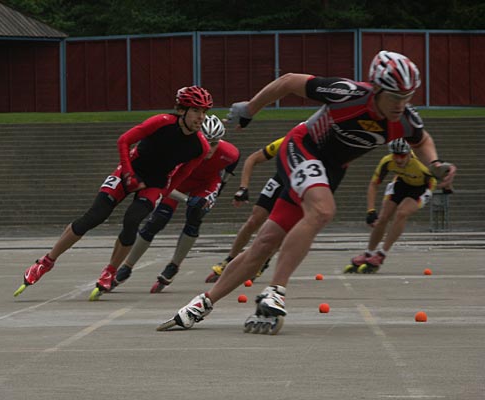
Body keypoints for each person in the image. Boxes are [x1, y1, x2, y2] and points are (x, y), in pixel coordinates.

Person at [157, 50, 457, 335]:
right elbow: (288, 81)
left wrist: (436, 163)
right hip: (303, 146)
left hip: (331, 168)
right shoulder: (347, 92)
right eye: (394, 97)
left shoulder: (404, 118)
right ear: (376, 88)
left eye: (407, 97)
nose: (400, 105)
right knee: (323, 210)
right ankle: (275, 291)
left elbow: (421, 139)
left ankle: (200, 304)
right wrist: (250, 109)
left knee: (266, 241)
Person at [12, 86, 214, 300]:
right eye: (196, 110)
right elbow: (124, 141)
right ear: (182, 110)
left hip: (155, 183)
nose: (201, 117)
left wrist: (164, 192)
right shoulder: (162, 122)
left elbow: (183, 174)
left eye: (204, 112)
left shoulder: (199, 147)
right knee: (94, 216)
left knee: (132, 221)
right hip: (130, 171)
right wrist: (127, 173)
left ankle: (110, 271)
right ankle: (46, 262)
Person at [111, 115, 240, 293]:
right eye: (207, 141)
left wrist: (214, 195)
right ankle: (126, 266)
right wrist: (187, 199)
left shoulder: (230, 154)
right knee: (156, 221)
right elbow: (163, 185)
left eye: (215, 142)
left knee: (196, 215)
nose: (210, 149)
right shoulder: (183, 149)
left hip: (206, 184)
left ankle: (174, 265)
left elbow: (226, 175)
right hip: (177, 182)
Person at [344, 138, 437, 274]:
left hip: (422, 187)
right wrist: (370, 211)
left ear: (409, 154)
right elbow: (374, 184)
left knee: (402, 213)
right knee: (382, 218)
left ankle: (381, 254)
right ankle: (369, 253)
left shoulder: (420, 165)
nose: (398, 160)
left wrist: (447, 185)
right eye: (395, 155)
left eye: (402, 156)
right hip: (401, 183)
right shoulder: (387, 161)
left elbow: (438, 177)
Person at [205, 137, 284, 283]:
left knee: (282, 227)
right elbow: (252, 159)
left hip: (302, 186)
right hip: (282, 180)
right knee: (254, 220)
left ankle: (262, 262)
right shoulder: (288, 140)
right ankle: (230, 259)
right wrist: (243, 188)